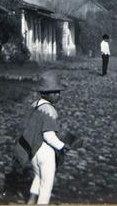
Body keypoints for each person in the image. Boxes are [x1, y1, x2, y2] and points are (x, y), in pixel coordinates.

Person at [20, 72, 78, 205]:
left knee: (38, 177)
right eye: (54, 92)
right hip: (46, 152)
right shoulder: (50, 110)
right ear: (45, 93)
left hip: (33, 150)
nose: (58, 95)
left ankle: (31, 200)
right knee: (47, 185)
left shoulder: (35, 105)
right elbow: (49, 136)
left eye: (58, 92)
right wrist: (62, 147)